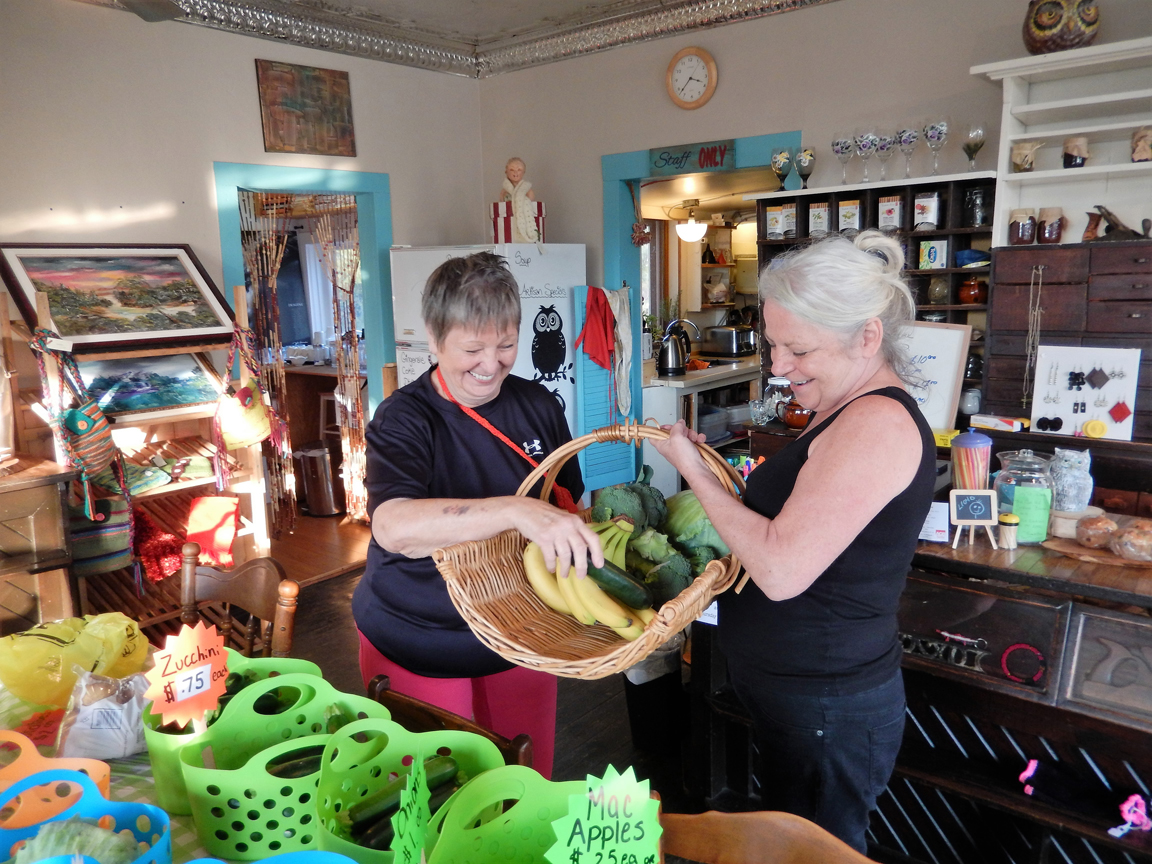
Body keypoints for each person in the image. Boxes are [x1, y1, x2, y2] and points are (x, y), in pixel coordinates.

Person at [652, 230, 936, 853]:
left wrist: (695, 473)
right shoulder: (844, 407)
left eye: (799, 349)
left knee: (813, 851)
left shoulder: (877, 424)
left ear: (867, 337)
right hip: (802, 697)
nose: (779, 367)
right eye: (773, 344)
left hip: (827, 706)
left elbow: (780, 569)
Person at [353, 251, 600, 779]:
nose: (491, 365)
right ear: (433, 337)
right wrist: (515, 510)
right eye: (472, 349)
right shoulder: (404, 419)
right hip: (421, 638)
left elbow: (569, 504)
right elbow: (393, 526)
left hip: (524, 633)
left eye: (506, 344)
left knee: (524, 785)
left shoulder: (539, 406)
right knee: (440, 803)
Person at [499, 156, 540, 243]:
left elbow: (531, 204)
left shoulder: (527, 190)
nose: (515, 172)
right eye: (512, 170)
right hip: (508, 227)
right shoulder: (504, 191)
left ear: (523, 172)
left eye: (519, 170)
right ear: (506, 171)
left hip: (524, 225)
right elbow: (503, 205)